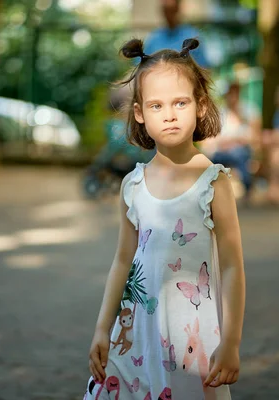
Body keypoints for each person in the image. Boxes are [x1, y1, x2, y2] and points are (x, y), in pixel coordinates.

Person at [84, 38, 246, 399]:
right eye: (157, 105)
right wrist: (102, 328)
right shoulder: (133, 185)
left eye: (180, 102)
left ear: (200, 106)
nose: (169, 114)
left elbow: (233, 265)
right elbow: (123, 260)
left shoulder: (214, 183)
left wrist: (231, 339)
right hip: (135, 335)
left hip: (191, 340)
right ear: (139, 112)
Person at [202, 82, 261, 206]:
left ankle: (247, 188)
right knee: (207, 158)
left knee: (240, 155)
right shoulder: (219, 112)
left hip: (241, 149)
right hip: (221, 149)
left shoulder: (249, 111)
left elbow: (254, 137)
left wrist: (237, 141)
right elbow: (212, 138)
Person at [143, 0, 209, 68]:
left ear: (178, 9)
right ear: (162, 12)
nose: (169, 16)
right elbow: (141, 67)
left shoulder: (191, 36)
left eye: (172, 10)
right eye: (166, 11)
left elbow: (204, 68)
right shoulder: (153, 39)